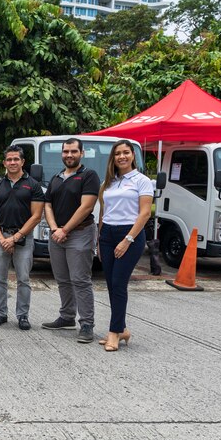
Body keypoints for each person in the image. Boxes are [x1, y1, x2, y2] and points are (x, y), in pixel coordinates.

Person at [41, 138, 100, 344]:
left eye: (73, 151)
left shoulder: (89, 175)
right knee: (63, 279)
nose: (69, 155)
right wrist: (55, 229)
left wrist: (65, 229)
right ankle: (67, 317)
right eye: (66, 151)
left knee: (80, 280)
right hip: (57, 235)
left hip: (80, 234)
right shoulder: (57, 178)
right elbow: (47, 204)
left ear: (81, 153)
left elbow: (86, 207)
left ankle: (87, 324)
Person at [97, 139, 152, 352]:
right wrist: (100, 241)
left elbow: (145, 213)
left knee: (119, 284)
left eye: (126, 153)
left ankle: (114, 333)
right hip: (108, 234)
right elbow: (103, 213)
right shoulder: (108, 183)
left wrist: (127, 240)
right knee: (111, 285)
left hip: (130, 233)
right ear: (113, 157)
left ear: (132, 155)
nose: (122, 156)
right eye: (118, 153)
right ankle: (122, 329)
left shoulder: (142, 180)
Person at [0, 145, 43, 330]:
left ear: (22, 161)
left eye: (16, 159)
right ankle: (0, 313)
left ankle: (23, 316)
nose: (12, 162)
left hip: (23, 237)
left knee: (23, 279)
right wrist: (2, 238)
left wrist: (16, 237)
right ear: (4, 163)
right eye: (9, 159)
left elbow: (36, 216)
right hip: (0, 236)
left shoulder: (33, 185)